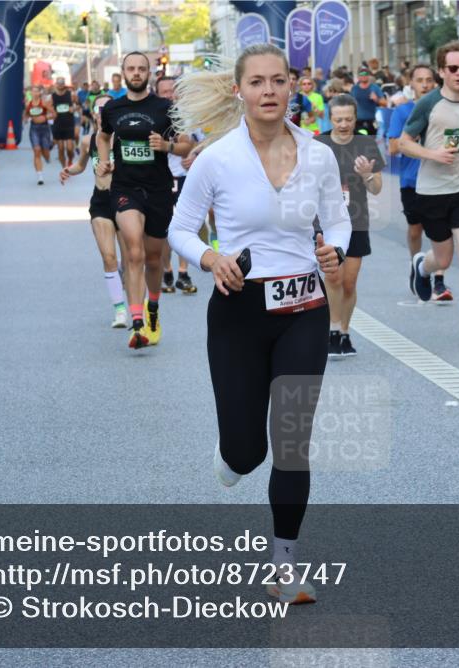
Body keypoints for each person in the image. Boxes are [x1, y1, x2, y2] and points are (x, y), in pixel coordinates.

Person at [168, 43, 349, 605]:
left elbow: (339, 222)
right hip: (240, 309)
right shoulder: (216, 159)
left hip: (303, 309)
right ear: (239, 91)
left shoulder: (318, 155)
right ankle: (233, 454)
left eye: (278, 81)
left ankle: (284, 562)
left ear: (292, 86)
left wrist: (333, 253)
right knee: (247, 453)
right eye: (257, 82)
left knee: (292, 443)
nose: (269, 91)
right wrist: (208, 258)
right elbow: (181, 230)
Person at [401, 40, 459, 351]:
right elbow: (403, 143)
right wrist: (432, 153)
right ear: (441, 71)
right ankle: (422, 267)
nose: (458, 73)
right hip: (432, 192)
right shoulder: (428, 104)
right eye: (452, 68)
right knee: (443, 258)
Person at [96, 52, 191, 349]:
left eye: (141, 69)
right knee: (133, 249)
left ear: (149, 73)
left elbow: (188, 143)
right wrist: (105, 160)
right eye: (131, 68)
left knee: (152, 258)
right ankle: (136, 322)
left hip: (159, 189)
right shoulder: (112, 107)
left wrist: (167, 145)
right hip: (125, 187)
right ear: (123, 72)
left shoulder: (166, 107)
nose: (136, 73)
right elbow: (102, 136)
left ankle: (152, 309)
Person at [316, 94, 384, 357]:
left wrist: (367, 174)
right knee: (333, 275)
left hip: (356, 220)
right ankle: (332, 329)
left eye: (348, 119)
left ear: (356, 118)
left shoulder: (365, 143)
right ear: (329, 118)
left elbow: (376, 188)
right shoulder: (318, 144)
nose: (343, 124)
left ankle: (345, 331)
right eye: (338, 119)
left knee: (349, 282)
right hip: (326, 221)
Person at [60, 94, 129, 328]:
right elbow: (81, 164)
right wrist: (69, 170)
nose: (102, 112)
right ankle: (120, 311)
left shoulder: (123, 139)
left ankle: (124, 276)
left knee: (129, 260)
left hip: (125, 200)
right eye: (99, 108)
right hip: (100, 202)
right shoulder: (87, 140)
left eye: (107, 108)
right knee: (108, 257)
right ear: (93, 113)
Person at [387, 64, 451, 301]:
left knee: (441, 231)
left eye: (428, 80)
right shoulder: (403, 112)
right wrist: (413, 136)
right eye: (419, 80)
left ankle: (439, 282)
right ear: (411, 84)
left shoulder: (444, 110)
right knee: (416, 230)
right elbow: (393, 148)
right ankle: (417, 266)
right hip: (412, 181)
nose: (424, 84)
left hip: (440, 179)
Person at [155, 75, 199, 294]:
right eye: (164, 92)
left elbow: (202, 140)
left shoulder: (187, 116)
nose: (170, 95)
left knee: (183, 225)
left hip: (184, 176)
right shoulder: (153, 117)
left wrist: (195, 153)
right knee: (163, 229)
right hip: (160, 177)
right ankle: (167, 270)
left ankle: (183, 272)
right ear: (157, 94)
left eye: (173, 91)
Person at [23, 84, 55, 185]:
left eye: (37, 91)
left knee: (46, 152)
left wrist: (45, 118)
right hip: (34, 129)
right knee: (37, 150)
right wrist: (26, 118)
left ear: (39, 93)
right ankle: (40, 176)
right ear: (31, 93)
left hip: (44, 129)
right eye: (33, 91)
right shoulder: (28, 103)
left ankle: (47, 155)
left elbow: (54, 114)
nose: (35, 93)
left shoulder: (44, 103)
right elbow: (26, 114)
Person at [51, 77, 78, 166]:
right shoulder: (52, 96)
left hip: (69, 123)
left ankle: (70, 160)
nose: (60, 84)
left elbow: (78, 105)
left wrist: (73, 108)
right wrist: (52, 112)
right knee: (61, 148)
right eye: (58, 83)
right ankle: (64, 168)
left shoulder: (71, 94)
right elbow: (47, 107)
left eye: (62, 83)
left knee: (70, 148)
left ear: (64, 84)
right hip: (58, 124)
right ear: (56, 84)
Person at [351, 68, 386, 134]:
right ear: (358, 77)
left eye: (366, 74)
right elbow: (350, 103)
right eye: (361, 75)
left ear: (369, 76)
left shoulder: (375, 87)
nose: (363, 76)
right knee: (361, 139)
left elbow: (385, 103)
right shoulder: (354, 88)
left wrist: (376, 99)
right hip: (358, 120)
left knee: (372, 140)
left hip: (372, 120)